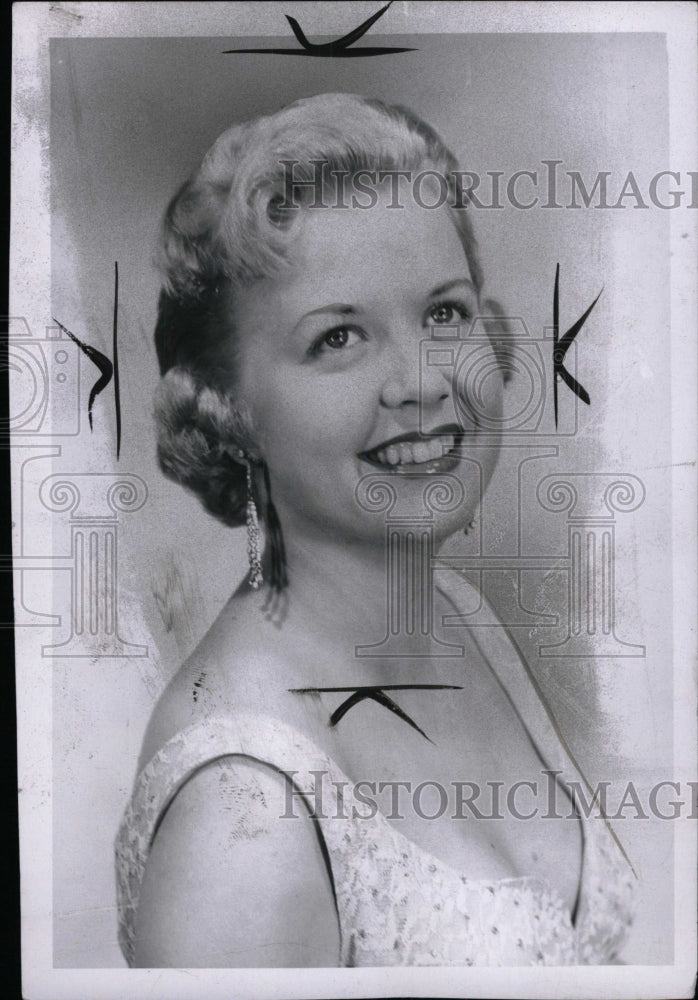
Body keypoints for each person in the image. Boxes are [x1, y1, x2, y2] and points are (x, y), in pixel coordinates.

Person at [115, 92, 635, 968]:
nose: (422, 384)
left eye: (443, 313)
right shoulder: (238, 813)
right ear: (228, 410)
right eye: (340, 337)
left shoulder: (462, 617)